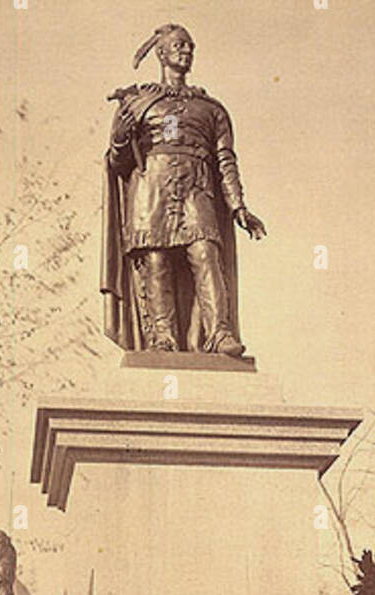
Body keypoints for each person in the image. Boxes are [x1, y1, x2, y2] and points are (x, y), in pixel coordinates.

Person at [102, 23, 266, 355]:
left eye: (190, 45)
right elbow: (118, 162)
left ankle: (219, 333)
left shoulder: (212, 109)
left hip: (196, 187)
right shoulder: (136, 102)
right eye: (179, 45)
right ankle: (163, 339)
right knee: (157, 261)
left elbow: (225, 160)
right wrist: (121, 134)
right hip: (151, 189)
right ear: (161, 53)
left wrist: (238, 207)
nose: (186, 51)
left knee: (206, 253)